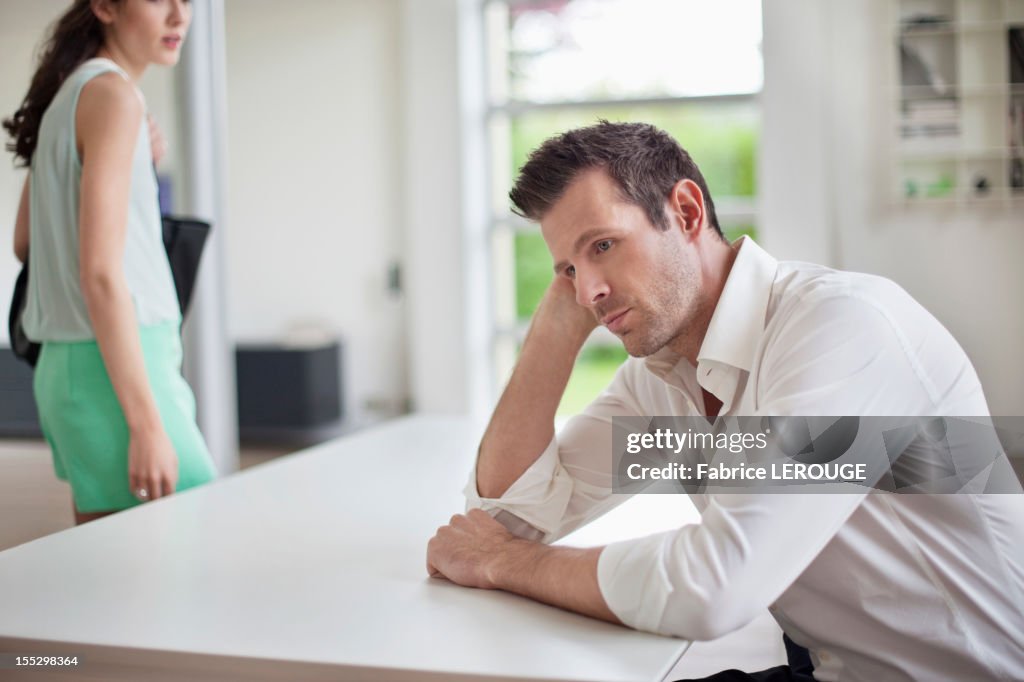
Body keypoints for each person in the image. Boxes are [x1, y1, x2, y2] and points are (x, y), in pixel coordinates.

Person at [425, 121, 1024, 681]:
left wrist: (506, 564)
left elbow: (714, 587)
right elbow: (505, 520)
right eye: (568, 271)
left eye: (602, 245)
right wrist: (553, 331)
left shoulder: (843, 327)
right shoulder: (662, 377)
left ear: (685, 211)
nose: (589, 290)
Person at [4, 0, 215, 525]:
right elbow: (99, 272)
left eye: (186, 1)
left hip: (75, 368)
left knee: (122, 580)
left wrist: (135, 162)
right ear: (104, 6)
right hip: (117, 367)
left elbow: (26, 241)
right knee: (183, 559)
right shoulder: (115, 97)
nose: (178, 15)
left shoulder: (71, 96)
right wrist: (145, 425)